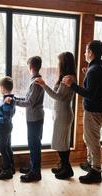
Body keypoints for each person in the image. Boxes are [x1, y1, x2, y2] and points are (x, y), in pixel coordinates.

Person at [62, 40, 102, 184]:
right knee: (89, 139)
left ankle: (96, 171)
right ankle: (91, 165)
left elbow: (90, 93)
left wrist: (72, 85)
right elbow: (97, 88)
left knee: (93, 141)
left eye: (86, 50)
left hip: (94, 111)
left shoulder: (94, 70)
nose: (84, 53)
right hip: (100, 109)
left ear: (91, 53)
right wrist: (87, 73)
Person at [35, 52, 76, 180]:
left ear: (64, 63)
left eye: (60, 62)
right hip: (61, 113)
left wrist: (43, 85)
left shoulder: (68, 78)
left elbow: (58, 96)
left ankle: (67, 169)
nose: (58, 64)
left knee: (62, 143)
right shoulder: (65, 77)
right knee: (60, 142)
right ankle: (63, 166)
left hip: (64, 114)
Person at [9, 56, 45, 183]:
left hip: (35, 117)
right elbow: (27, 99)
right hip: (34, 117)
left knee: (34, 145)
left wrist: (14, 102)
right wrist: (16, 99)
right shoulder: (35, 80)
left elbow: (29, 102)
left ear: (31, 67)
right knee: (33, 144)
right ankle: (32, 167)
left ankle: (36, 173)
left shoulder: (36, 83)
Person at [0, 76, 16, 180]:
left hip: (4, 127)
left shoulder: (7, 100)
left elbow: (6, 117)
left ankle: (7, 171)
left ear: (3, 88)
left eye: (0, 87)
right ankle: (11, 167)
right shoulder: (10, 98)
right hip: (7, 127)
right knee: (7, 147)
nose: (0, 89)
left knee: (3, 149)